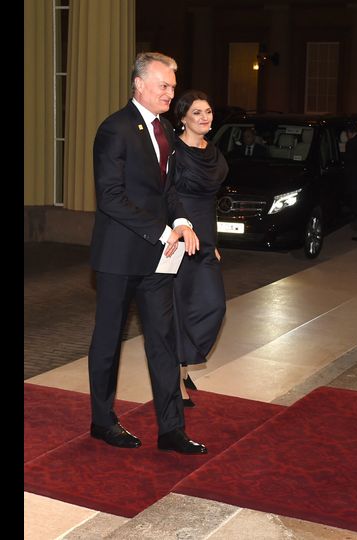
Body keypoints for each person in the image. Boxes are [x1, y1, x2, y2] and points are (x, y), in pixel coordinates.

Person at [87, 51, 207, 455]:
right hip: (119, 256)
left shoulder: (166, 132)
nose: (171, 93)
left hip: (159, 256)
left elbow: (168, 191)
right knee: (108, 340)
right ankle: (102, 421)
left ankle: (172, 429)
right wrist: (161, 231)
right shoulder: (115, 129)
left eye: (173, 86)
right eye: (164, 85)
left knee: (163, 340)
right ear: (139, 84)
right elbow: (110, 198)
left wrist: (183, 222)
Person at [170, 90, 228, 408]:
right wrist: (175, 231)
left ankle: (183, 361)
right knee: (179, 309)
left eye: (208, 112)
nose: (204, 117)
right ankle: (177, 374)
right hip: (178, 239)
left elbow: (211, 204)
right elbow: (166, 196)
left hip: (205, 240)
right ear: (183, 118)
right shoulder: (173, 153)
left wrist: (213, 242)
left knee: (213, 306)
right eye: (197, 113)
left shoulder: (214, 153)